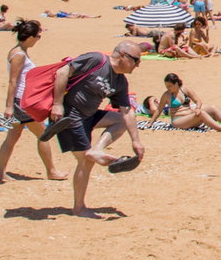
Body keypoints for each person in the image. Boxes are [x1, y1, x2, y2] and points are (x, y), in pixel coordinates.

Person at [40, 41, 146, 218]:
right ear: (123, 55)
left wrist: (136, 140)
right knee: (85, 161)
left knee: (119, 121)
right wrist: (57, 104)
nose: (137, 65)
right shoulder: (97, 60)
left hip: (89, 116)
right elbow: (63, 72)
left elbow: (127, 111)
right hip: (69, 116)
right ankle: (79, 208)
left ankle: (97, 149)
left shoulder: (120, 82)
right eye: (136, 60)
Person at [0, 20, 66, 184]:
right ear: (30, 37)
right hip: (22, 102)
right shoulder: (19, 55)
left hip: (19, 101)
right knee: (43, 135)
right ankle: (52, 171)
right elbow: (13, 81)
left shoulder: (18, 51)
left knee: (12, 137)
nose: (38, 39)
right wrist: (9, 106)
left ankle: (0, 174)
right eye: (38, 36)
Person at [146, 73, 221, 130]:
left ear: (176, 83)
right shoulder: (166, 95)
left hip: (190, 114)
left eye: (170, 86)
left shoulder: (185, 89)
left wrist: (198, 108)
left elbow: (198, 100)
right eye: (167, 86)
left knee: (212, 108)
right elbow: (159, 110)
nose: (168, 88)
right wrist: (151, 123)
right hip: (178, 120)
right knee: (202, 113)